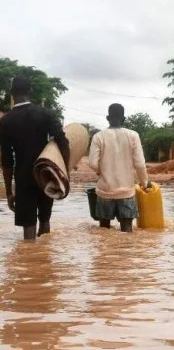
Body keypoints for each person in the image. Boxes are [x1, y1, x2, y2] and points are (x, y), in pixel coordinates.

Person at [0, 76, 71, 240]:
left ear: (12, 93)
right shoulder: (45, 114)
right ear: (30, 91)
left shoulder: (6, 121)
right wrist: (64, 171)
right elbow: (62, 142)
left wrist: (10, 192)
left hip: (23, 178)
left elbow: (6, 160)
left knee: (28, 227)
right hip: (46, 173)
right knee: (45, 220)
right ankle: (44, 260)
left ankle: (29, 261)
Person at [87, 103, 149, 233]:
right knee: (127, 232)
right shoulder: (133, 135)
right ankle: (125, 252)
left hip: (105, 192)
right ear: (124, 118)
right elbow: (140, 164)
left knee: (104, 233)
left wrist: (100, 171)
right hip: (126, 192)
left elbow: (92, 163)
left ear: (107, 118)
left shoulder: (98, 136)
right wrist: (145, 183)